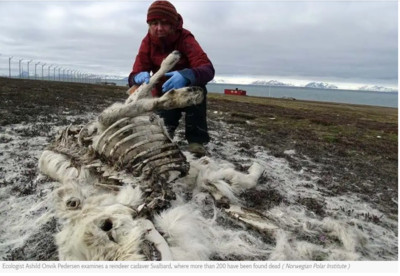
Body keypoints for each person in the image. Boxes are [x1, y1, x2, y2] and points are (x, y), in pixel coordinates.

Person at [128, 0, 215, 157]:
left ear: (173, 24)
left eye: (164, 23)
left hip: (186, 90)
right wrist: (136, 78)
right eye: (154, 23)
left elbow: (207, 69)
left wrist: (187, 76)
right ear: (149, 24)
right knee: (162, 133)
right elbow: (136, 72)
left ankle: (196, 142)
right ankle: (166, 136)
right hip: (163, 93)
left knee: (198, 91)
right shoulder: (147, 42)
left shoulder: (185, 39)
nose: (159, 28)